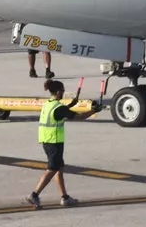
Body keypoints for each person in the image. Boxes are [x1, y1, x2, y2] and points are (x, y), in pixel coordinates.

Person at [25, 79, 102, 209]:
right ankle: (34, 195)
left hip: (47, 140)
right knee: (52, 169)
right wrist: (94, 110)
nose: (64, 93)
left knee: (58, 169)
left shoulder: (48, 104)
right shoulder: (59, 108)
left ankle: (64, 197)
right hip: (54, 142)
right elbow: (79, 117)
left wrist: (71, 105)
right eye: (63, 91)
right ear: (59, 91)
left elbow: (59, 112)